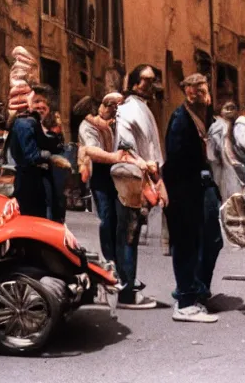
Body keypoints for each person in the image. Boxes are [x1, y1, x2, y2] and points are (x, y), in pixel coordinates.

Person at [76, 93, 154, 310]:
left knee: (122, 226)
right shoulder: (89, 125)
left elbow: (127, 147)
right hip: (102, 176)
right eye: (113, 106)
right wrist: (116, 158)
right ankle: (112, 270)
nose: (115, 110)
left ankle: (123, 275)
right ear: (105, 105)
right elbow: (92, 150)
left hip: (119, 174)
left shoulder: (117, 123)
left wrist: (139, 161)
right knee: (107, 221)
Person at [162, 73, 222, 323]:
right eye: (198, 91)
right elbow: (176, 161)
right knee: (186, 245)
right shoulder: (181, 119)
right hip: (182, 192)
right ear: (189, 93)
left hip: (193, 189)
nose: (204, 96)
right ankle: (185, 302)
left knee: (201, 242)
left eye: (205, 90)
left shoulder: (199, 118)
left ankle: (192, 291)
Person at [111, 64, 165, 309]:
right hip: (131, 178)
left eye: (153, 80)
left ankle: (128, 284)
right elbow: (126, 147)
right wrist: (149, 170)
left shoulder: (143, 108)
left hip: (142, 176)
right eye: (145, 80)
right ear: (134, 82)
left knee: (132, 234)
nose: (150, 85)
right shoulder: (127, 110)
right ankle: (126, 291)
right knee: (128, 235)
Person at [7, 85, 69, 220]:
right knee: (33, 222)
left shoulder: (37, 123)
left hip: (39, 181)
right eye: (36, 101)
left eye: (44, 102)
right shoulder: (25, 123)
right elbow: (32, 155)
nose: (41, 105)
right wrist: (49, 156)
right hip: (30, 183)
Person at [206, 101, 245, 199]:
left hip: (235, 166)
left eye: (233, 108)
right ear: (220, 111)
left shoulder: (235, 125)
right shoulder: (217, 127)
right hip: (224, 168)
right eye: (227, 108)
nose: (230, 111)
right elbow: (212, 154)